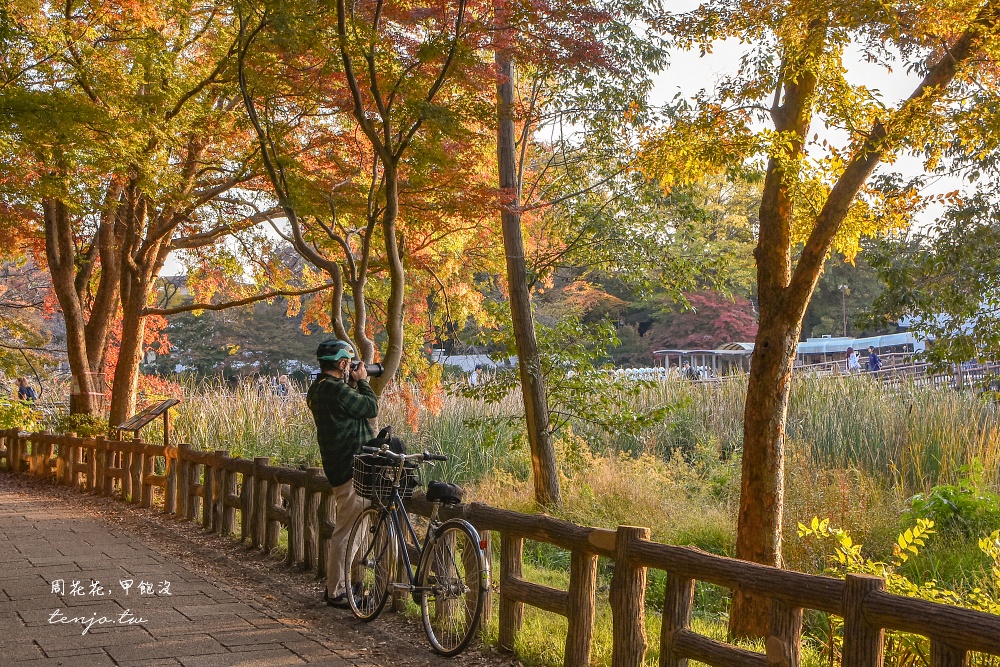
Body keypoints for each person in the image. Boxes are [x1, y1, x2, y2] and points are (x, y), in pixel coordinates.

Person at [306, 339, 378, 608]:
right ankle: (335, 590)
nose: (352, 367)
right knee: (346, 532)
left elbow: (349, 410)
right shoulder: (336, 390)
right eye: (348, 363)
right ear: (342, 363)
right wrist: (363, 381)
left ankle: (340, 586)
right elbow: (371, 408)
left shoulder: (319, 389)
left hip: (340, 468)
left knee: (351, 528)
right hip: (351, 471)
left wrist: (353, 381)